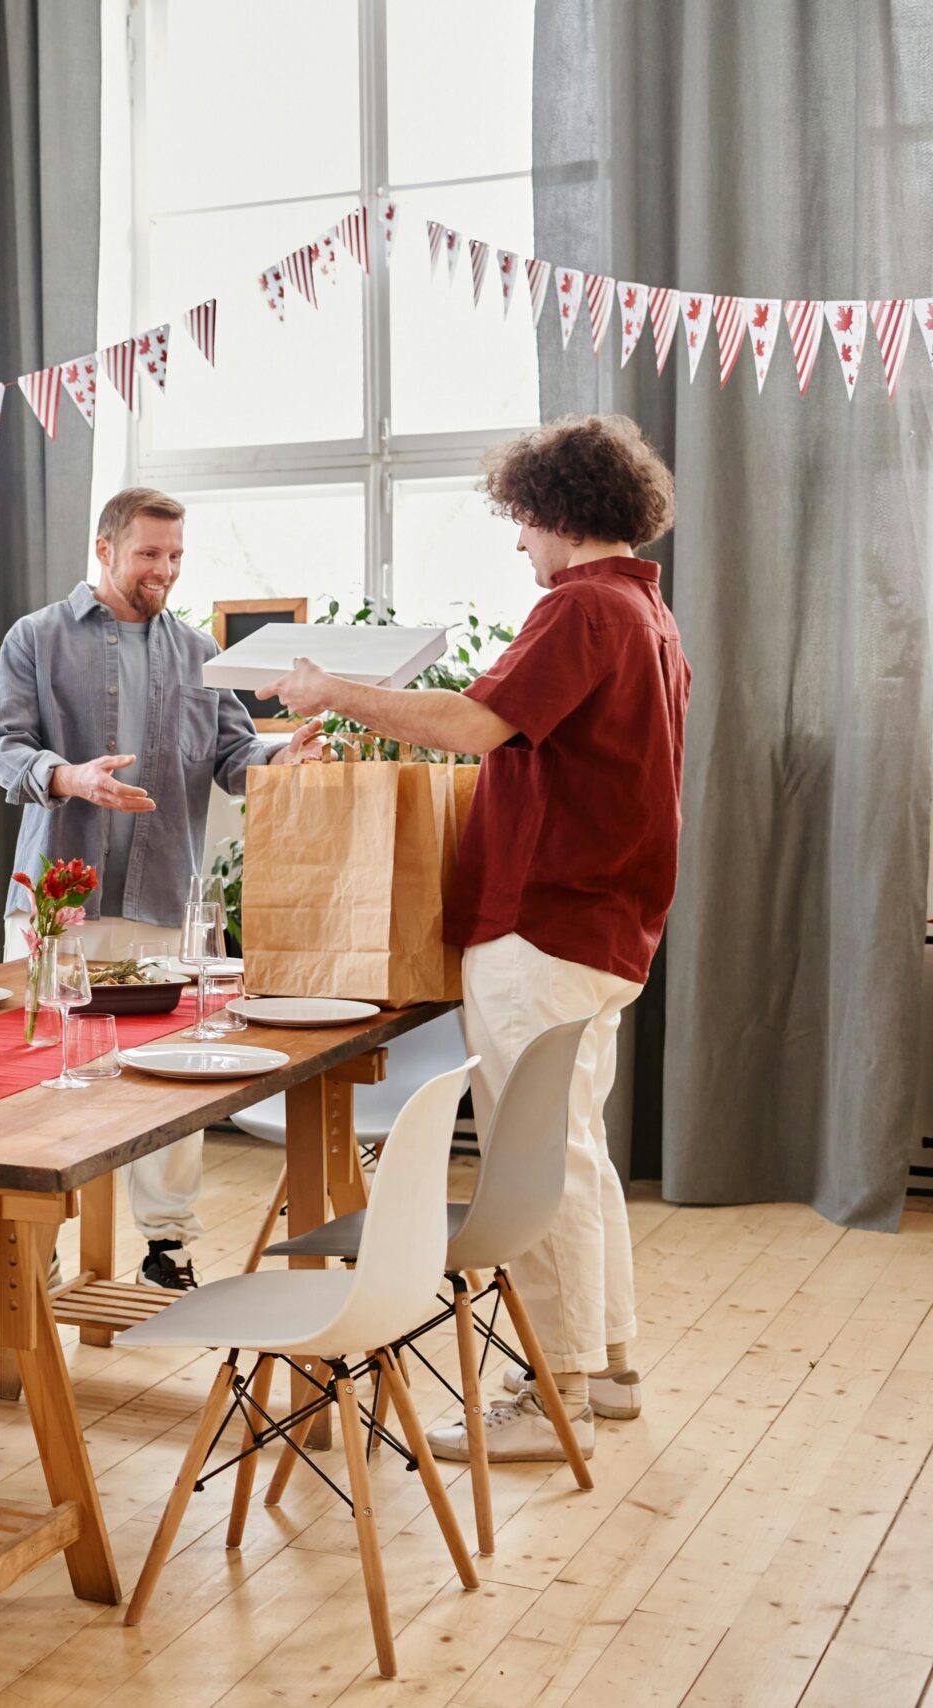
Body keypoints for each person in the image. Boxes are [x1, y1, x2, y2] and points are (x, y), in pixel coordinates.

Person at [262, 412, 687, 1462]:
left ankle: (545, 1392)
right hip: (602, 922)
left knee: (531, 1162)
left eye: (522, 521)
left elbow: (469, 725)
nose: (516, 544)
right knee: (571, 1148)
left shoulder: (583, 608)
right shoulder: (646, 614)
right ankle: (608, 1365)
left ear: (562, 513)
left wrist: (328, 691)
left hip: (547, 921)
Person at [0, 487, 322, 1290]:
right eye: (148, 554)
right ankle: (36, 1249)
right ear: (104, 549)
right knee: (43, 1086)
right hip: (59, 907)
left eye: (174, 556)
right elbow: (3, 747)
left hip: (162, 902)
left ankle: (165, 1248)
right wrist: (69, 777)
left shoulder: (202, 652)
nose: (164, 571)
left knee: (173, 1083)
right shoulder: (34, 637)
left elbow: (237, 758)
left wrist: (285, 757)